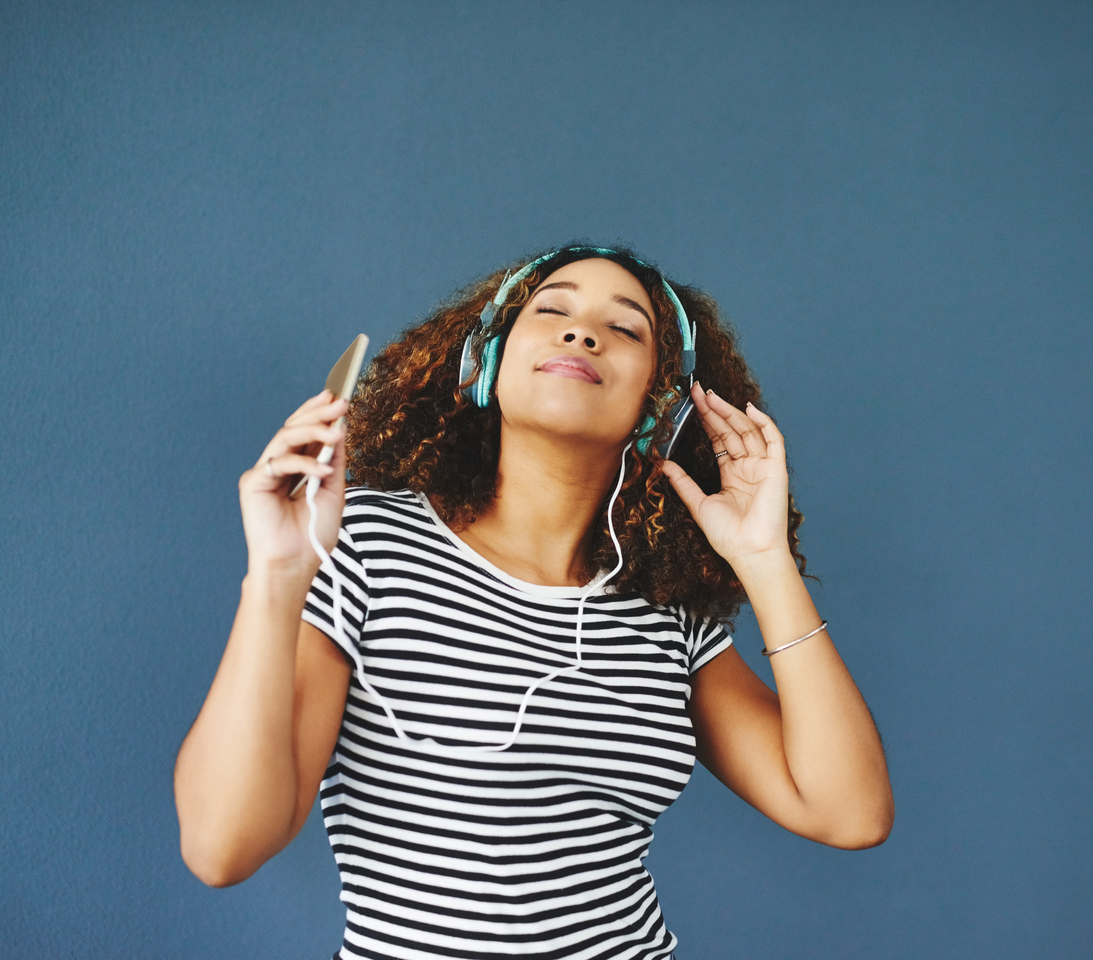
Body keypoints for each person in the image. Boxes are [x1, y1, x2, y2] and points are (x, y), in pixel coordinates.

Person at [174, 245, 894, 960]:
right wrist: (276, 574)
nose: (582, 333)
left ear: (661, 400)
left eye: (625, 328)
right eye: (551, 309)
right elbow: (221, 849)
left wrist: (764, 563)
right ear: (485, 360)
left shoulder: (662, 607)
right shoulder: (362, 540)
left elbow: (848, 813)